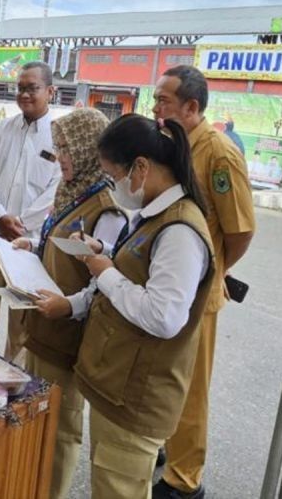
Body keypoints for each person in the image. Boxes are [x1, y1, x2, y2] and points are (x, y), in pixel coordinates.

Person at [73, 114, 215, 499]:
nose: (112, 187)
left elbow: (164, 316)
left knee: (118, 489)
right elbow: (142, 272)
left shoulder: (180, 230)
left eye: (113, 176)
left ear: (141, 167)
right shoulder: (153, 215)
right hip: (119, 384)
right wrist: (108, 256)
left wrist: (106, 274)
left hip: (137, 397)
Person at [12, 108, 126, 499]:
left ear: (89, 149)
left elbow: (106, 281)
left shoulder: (105, 209)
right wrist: (33, 244)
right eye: (58, 146)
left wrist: (70, 306)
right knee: (38, 420)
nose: (60, 155)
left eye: (67, 148)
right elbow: (63, 245)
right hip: (43, 326)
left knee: (61, 430)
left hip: (68, 336)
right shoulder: (70, 193)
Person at [152, 65, 255, 499]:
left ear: (192, 108)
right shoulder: (172, 144)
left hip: (197, 295)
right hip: (164, 285)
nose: (155, 108)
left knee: (190, 388)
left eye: (164, 101)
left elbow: (240, 230)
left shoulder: (218, 154)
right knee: (162, 376)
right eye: (155, 99)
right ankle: (162, 445)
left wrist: (212, 275)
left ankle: (184, 478)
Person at [0, 61, 62, 361]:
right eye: (20, 88)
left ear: (50, 91)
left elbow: (55, 190)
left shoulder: (60, 138)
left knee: (21, 329)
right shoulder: (1, 130)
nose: (24, 94)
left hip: (30, 245)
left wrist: (20, 224)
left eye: (32, 88)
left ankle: (12, 393)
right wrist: (0, 215)